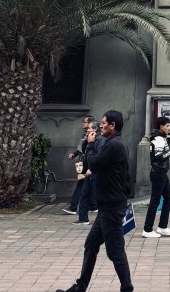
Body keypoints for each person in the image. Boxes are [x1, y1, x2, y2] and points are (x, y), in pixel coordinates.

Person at [57, 110, 133, 292]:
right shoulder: (115, 143)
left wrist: (90, 145)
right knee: (91, 245)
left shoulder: (113, 144)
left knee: (115, 252)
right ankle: (80, 287)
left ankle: (127, 288)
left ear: (112, 125)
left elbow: (94, 163)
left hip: (112, 208)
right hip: (108, 206)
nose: (101, 125)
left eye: (104, 123)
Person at [142, 116, 170, 238]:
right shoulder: (158, 139)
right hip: (158, 173)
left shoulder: (159, 138)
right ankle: (147, 229)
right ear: (161, 126)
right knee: (155, 201)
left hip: (160, 173)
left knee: (168, 198)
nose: (169, 128)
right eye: (167, 126)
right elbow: (158, 157)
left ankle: (162, 227)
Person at [64, 115, 95, 215]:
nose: (83, 123)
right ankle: (93, 205)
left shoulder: (93, 135)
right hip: (82, 162)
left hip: (88, 162)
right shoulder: (84, 135)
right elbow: (80, 148)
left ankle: (73, 206)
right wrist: (74, 155)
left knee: (81, 183)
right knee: (87, 183)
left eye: (85, 122)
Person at [73, 122, 100, 225]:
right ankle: (83, 218)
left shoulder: (99, 141)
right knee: (85, 194)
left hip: (94, 172)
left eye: (89, 129)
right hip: (87, 171)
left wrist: (92, 169)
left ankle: (102, 219)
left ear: (95, 130)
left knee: (97, 196)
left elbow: (96, 157)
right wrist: (87, 141)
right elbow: (84, 151)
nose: (87, 131)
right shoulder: (88, 140)